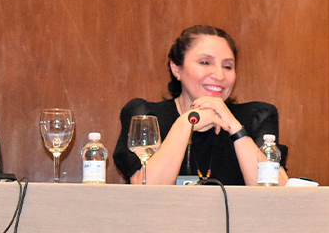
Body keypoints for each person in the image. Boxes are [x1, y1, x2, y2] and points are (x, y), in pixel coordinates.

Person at [113, 25, 289, 185]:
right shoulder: (147, 117)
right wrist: (186, 123)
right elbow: (148, 189)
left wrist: (234, 127)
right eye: (205, 63)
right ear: (176, 69)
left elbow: (276, 194)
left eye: (227, 66)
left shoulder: (256, 117)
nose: (219, 75)